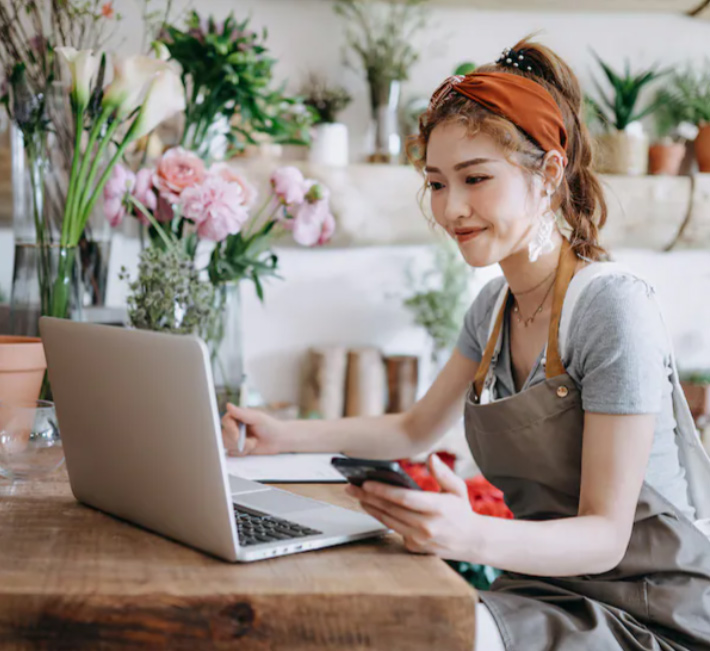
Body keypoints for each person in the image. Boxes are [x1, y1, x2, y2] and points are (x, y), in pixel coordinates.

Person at [221, 37, 710, 650]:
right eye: (435, 183)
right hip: (544, 590)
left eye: (475, 178)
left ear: (549, 174)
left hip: (653, 615)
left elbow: (606, 537)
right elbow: (413, 432)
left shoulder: (611, 307)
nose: (452, 208)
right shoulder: (492, 310)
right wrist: (278, 436)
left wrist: (469, 532)